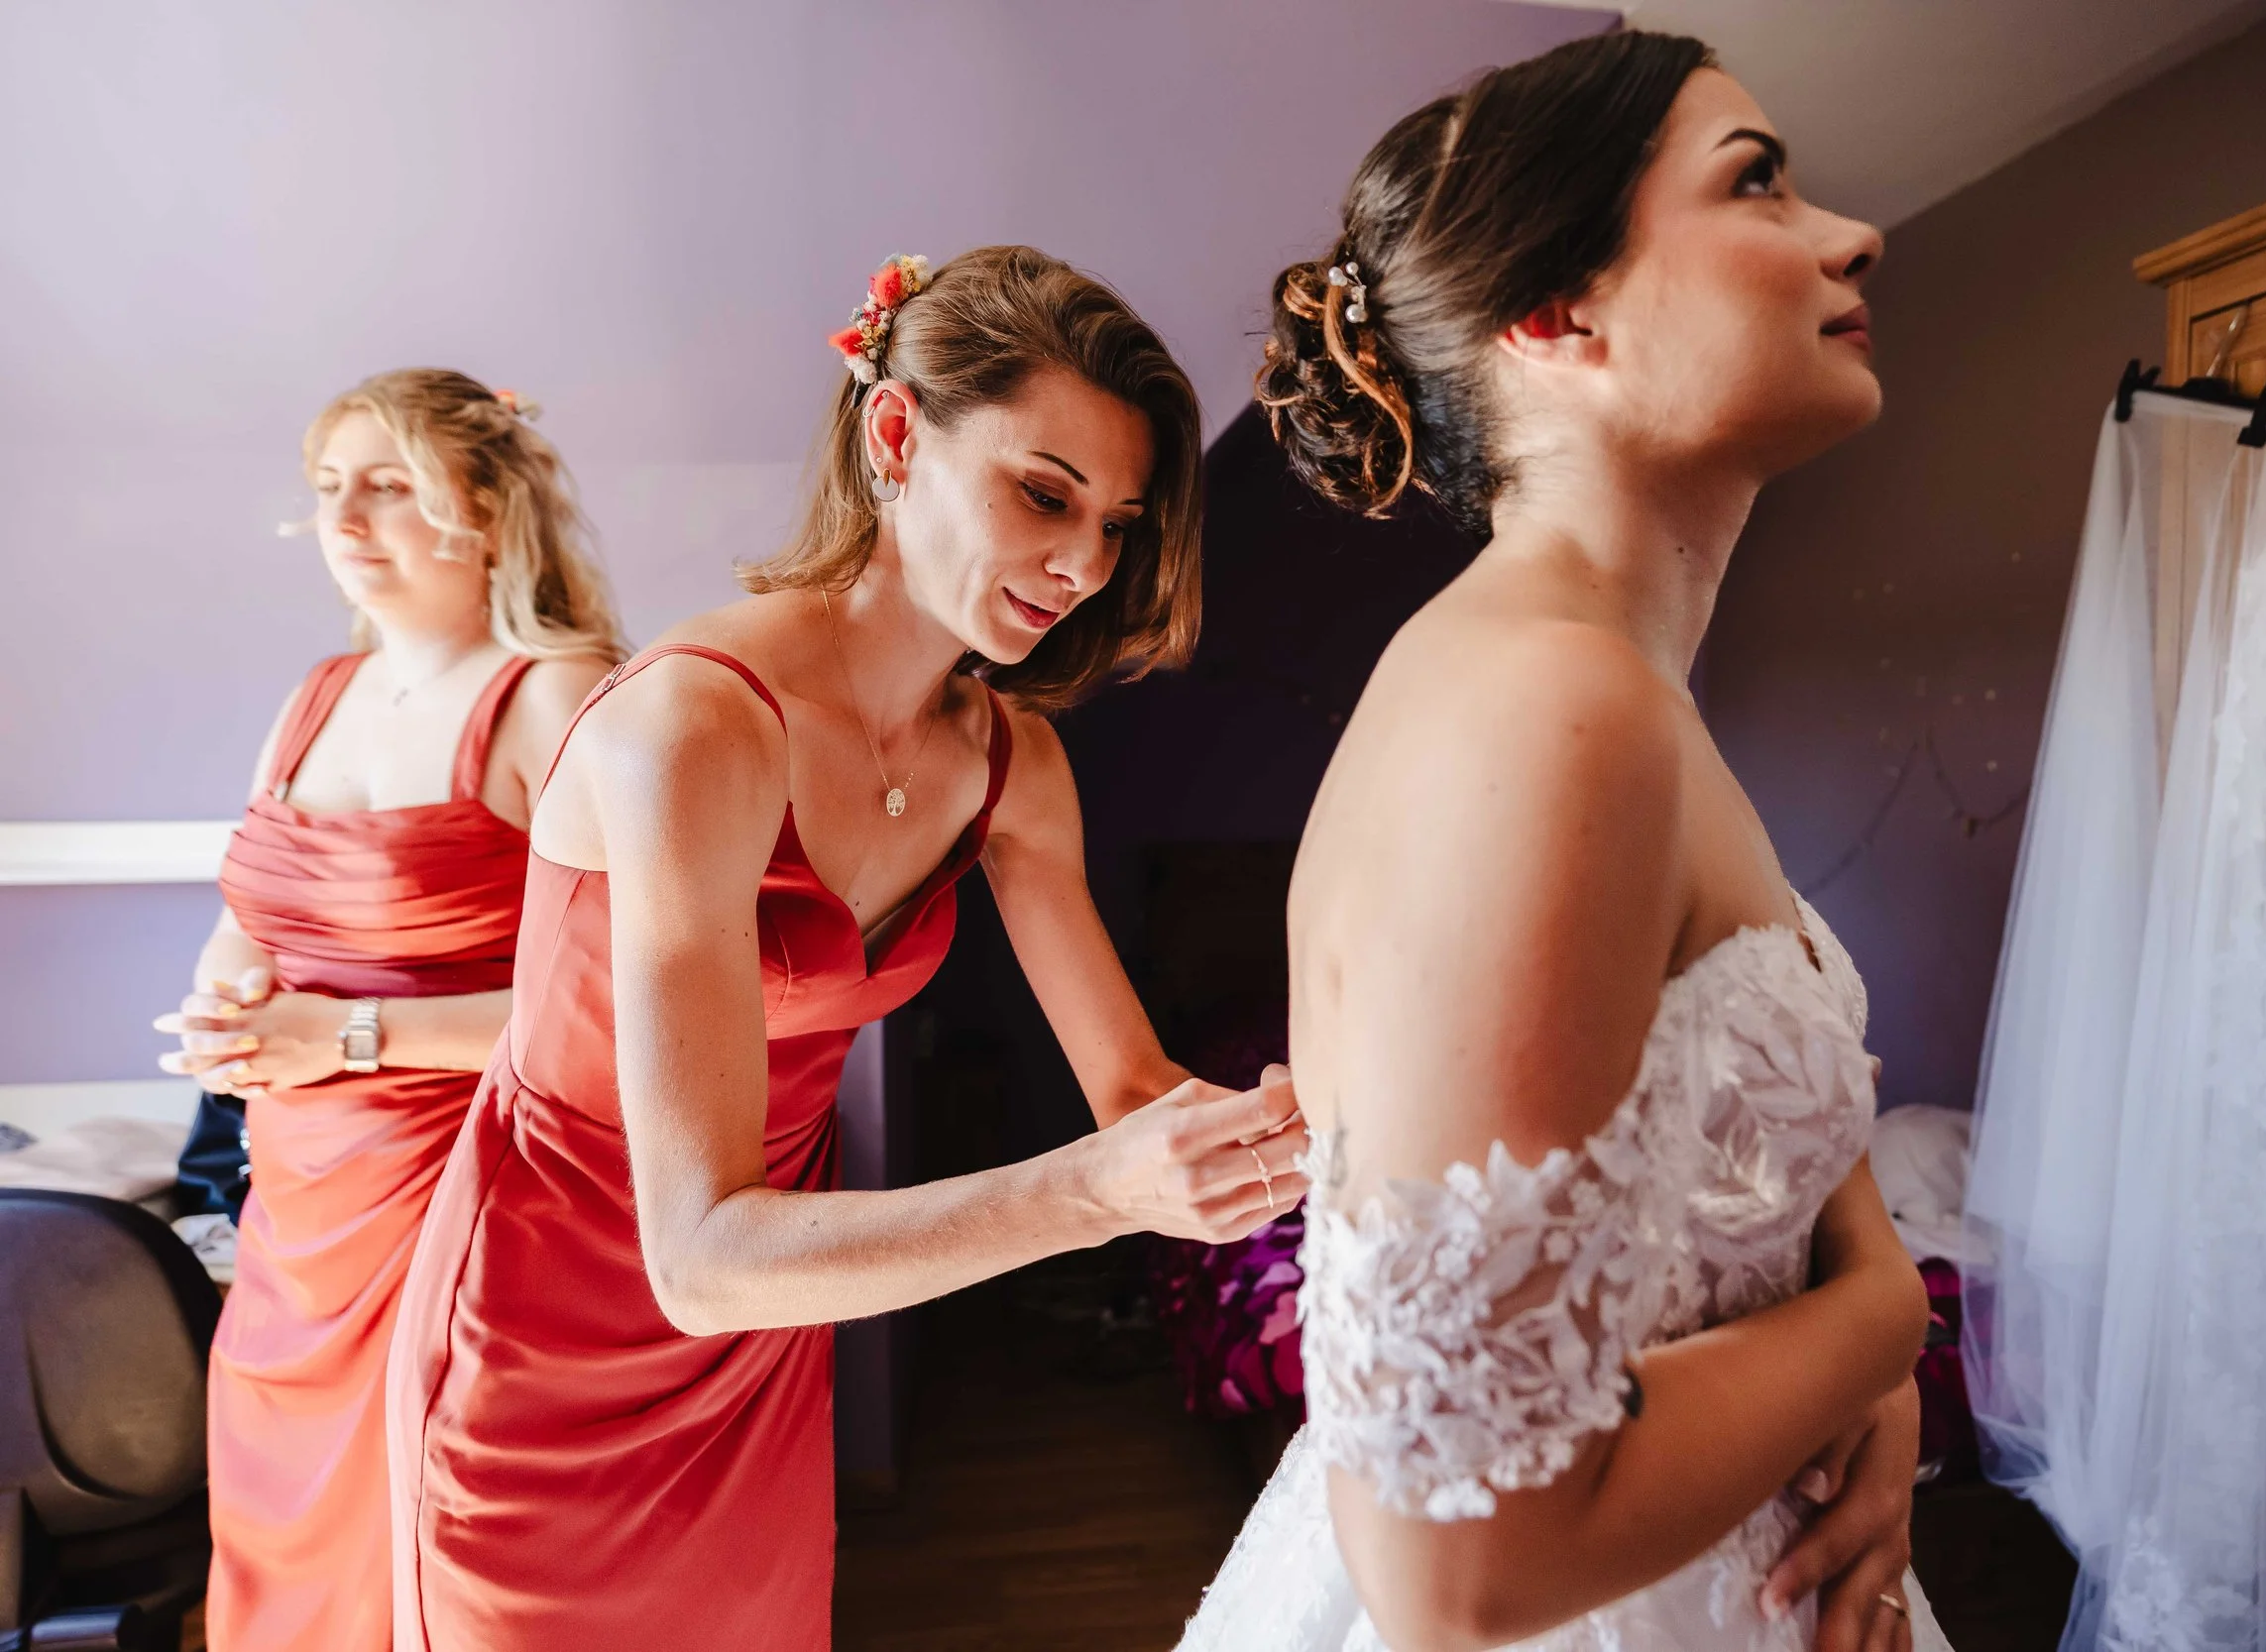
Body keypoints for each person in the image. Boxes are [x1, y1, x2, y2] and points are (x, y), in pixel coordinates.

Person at [385, 245, 1310, 1650]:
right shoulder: (694, 728)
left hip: (775, 1320)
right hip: (560, 1320)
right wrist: (1094, 1193)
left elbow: (1133, 1093)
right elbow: (694, 1251)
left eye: (1117, 523)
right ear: (895, 436)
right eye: (1042, 493)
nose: (1082, 563)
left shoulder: (1014, 768)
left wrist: (1329, 1131)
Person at [1182, 32, 1952, 1652]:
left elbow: (1752, 1143)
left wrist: (1861, 1335)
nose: (1852, 234)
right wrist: (1880, 1324)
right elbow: (1459, 1570)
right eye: (1759, 184)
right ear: (1556, 311)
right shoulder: (1550, 710)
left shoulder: (1610, 686)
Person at [151, 370, 624, 1652]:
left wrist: (346, 1036)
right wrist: (221, 1004)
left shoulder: (558, 694)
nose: (344, 518)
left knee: (442, 1530)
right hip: (300, 1209)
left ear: (486, 505)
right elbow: (252, 913)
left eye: (389, 484)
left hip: (474, 1200)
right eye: (327, 489)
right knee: (290, 1519)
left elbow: (619, 1007)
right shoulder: (315, 691)